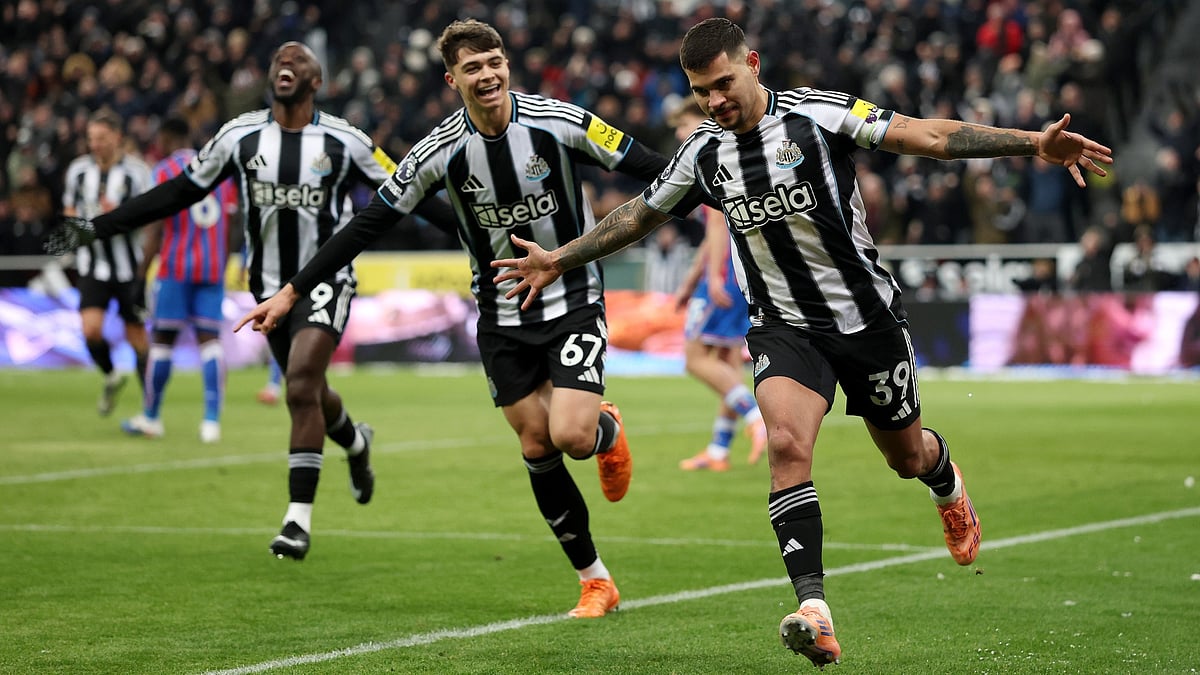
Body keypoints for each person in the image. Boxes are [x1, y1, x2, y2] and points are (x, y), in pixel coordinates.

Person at [491, 18, 1113, 666]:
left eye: (724, 84)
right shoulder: (702, 153)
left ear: (753, 64)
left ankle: (946, 481)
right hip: (785, 327)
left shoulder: (818, 114)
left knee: (906, 456)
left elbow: (928, 136)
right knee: (786, 445)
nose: (715, 101)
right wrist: (558, 258)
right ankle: (814, 609)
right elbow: (638, 214)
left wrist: (1031, 143)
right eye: (702, 92)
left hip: (868, 322)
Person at [234, 20, 662, 618]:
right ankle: (596, 581)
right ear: (451, 80)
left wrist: (721, 190)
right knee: (535, 443)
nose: (487, 75)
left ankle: (605, 431)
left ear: (507, 64)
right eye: (472, 68)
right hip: (500, 315)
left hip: (571, 298)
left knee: (570, 436)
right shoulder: (438, 152)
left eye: (494, 62)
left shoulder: (557, 120)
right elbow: (369, 223)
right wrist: (292, 290)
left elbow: (652, 166)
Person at [46, 42, 458, 561]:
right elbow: (177, 193)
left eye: (298, 59)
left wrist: (478, 236)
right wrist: (95, 228)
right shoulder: (238, 136)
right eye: (279, 59)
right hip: (266, 288)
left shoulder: (348, 140)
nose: (286, 63)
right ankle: (356, 442)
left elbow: (411, 193)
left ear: (316, 81)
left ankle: (297, 520)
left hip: (326, 280)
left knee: (301, 383)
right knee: (311, 392)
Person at [120, 117, 238, 443]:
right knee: (210, 343)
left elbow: (155, 227)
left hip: (174, 269)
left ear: (167, 138)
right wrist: (223, 261)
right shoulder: (219, 170)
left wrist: (141, 275)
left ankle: (151, 417)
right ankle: (211, 422)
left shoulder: (164, 171)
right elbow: (234, 222)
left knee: (162, 342)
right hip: (212, 269)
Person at [668, 100, 766, 472]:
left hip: (723, 273)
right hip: (742, 271)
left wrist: (709, 278)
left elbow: (714, 227)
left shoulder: (708, 153)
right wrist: (691, 280)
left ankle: (755, 417)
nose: (679, 133)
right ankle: (719, 450)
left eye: (683, 124)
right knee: (727, 362)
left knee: (695, 359)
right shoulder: (733, 152)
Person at [61, 108, 153, 417]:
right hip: (93, 265)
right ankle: (112, 375)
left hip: (130, 269)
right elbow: (70, 210)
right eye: (91, 138)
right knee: (90, 330)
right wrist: (79, 229)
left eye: (101, 138)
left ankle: (150, 406)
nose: (95, 144)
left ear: (117, 137)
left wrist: (120, 216)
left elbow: (150, 214)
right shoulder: (78, 171)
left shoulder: (137, 172)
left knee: (137, 337)